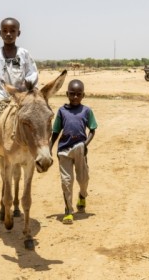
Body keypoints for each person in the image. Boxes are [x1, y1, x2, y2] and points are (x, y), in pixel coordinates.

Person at [50, 79, 98, 225]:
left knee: (83, 179)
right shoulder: (62, 111)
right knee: (66, 181)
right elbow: (56, 132)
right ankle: (68, 211)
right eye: (72, 94)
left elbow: (93, 130)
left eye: (78, 94)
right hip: (63, 150)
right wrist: (49, 148)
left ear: (83, 95)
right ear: (67, 94)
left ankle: (82, 195)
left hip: (79, 149)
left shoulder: (87, 111)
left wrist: (85, 144)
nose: (75, 97)